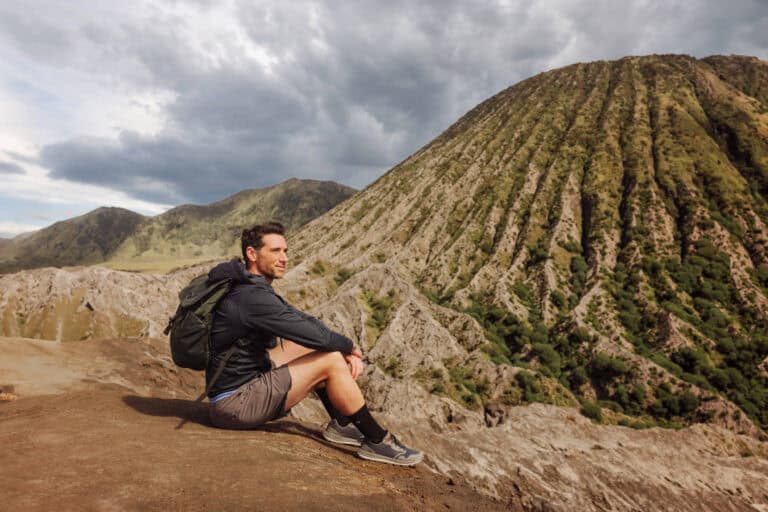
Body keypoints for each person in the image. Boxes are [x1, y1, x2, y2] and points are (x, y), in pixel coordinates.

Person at [205, 221, 422, 466]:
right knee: (330, 359)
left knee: (313, 347)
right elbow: (310, 333)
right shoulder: (251, 297)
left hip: (243, 382)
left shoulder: (249, 287)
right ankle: (378, 440)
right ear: (252, 254)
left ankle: (342, 425)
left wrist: (338, 345)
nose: (284, 258)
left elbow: (300, 320)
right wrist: (349, 347)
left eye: (285, 251)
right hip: (235, 403)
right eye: (275, 251)